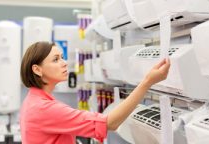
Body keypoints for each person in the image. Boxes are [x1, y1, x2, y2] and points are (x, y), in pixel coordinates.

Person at [20, 41, 170, 144]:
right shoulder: (44, 109)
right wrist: (147, 82)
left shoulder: (34, 101)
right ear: (37, 69)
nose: (64, 63)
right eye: (56, 59)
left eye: (63, 58)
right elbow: (110, 123)